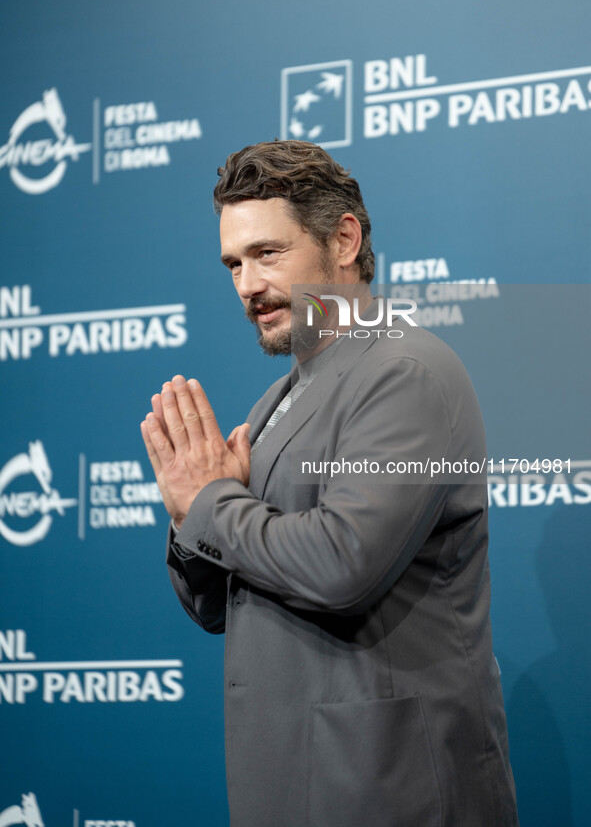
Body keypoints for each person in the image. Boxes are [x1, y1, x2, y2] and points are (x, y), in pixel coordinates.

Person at [141, 141, 519, 827]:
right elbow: (219, 604)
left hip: (389, 787)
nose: (246, 285)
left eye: (267, 254)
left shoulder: (406, 371)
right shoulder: (272, 402)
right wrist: (187, 515)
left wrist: (210, 501)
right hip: (286, 785)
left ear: (343, 239)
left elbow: (342, 561)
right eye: (233, 263)